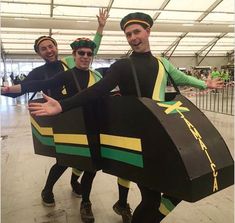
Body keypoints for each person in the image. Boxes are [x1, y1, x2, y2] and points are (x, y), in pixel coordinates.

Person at [26, 12, 224, 223]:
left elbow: (183, 78)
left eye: (136, 32)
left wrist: (206, 84)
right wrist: (63, 106)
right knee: (151, 198)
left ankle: (133, 210)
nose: (133, 37)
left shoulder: (163, 64)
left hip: (164, 137)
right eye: (128, 34)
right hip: (140, 141)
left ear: (148, 31)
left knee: (179, 190)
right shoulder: (121, 66)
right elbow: (97, 90)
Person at [1, 8, 108, 212]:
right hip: (62, 117)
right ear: (38, 53)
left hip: (83, 114)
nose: (49, 50)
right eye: (43, 49)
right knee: (66, 159)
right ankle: (47, 189)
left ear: (57, 47)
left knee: (86, 159)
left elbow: (90, 49)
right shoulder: (39, 72)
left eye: (51, 46)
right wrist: (5, 90)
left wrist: (100, 28)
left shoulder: (69, 62)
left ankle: (76, 184)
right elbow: (25, 88)